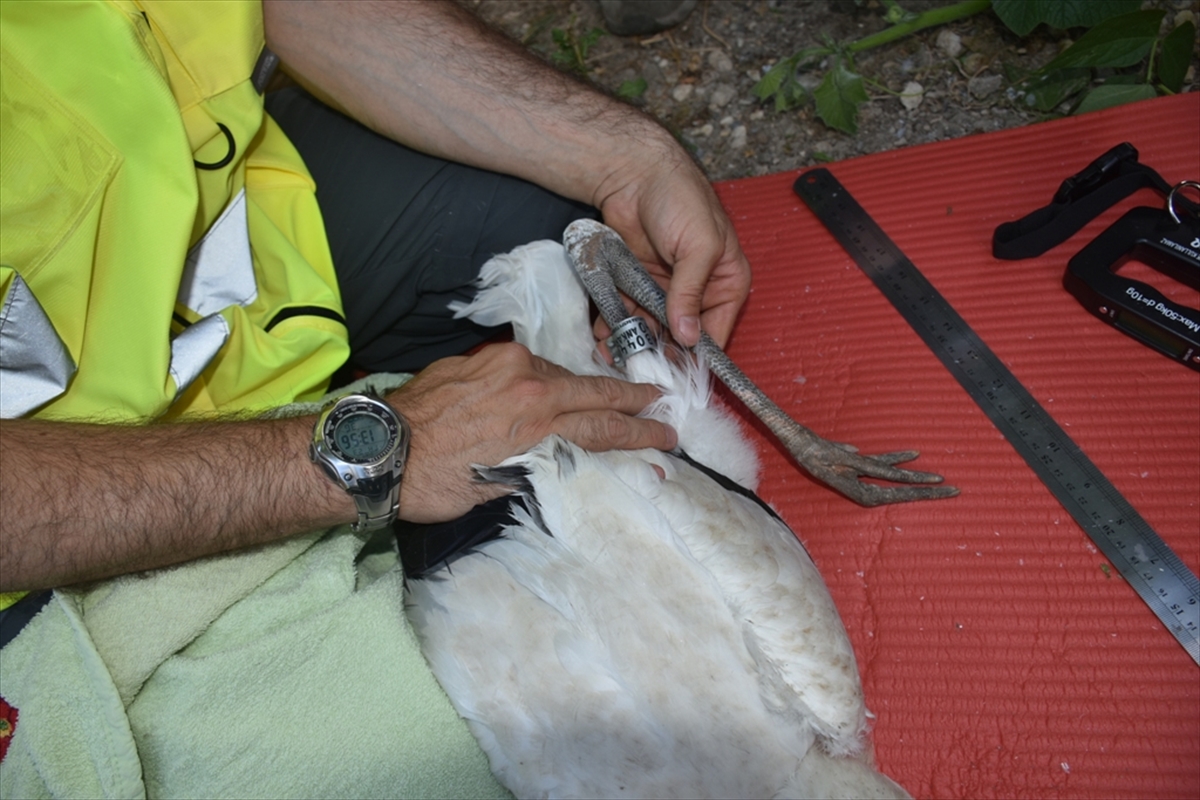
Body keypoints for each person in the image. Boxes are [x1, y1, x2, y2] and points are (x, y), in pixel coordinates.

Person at [0, 0, 751, 596]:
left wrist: (625, 159)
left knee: (554, 230)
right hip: (50, 491)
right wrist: (371, 457)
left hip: (231, 244)